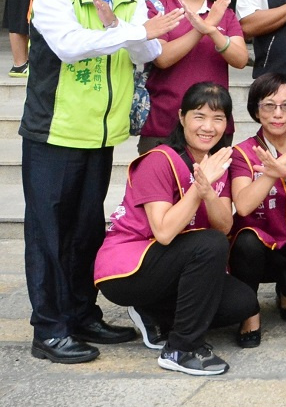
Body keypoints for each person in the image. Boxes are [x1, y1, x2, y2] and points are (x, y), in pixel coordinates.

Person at [21, 0, 181, 364]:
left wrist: (126, 30)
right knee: (49, 234)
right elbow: (70, 46)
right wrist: (131, 31)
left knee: (86, 231)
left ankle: (82, 313)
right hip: (54, 133)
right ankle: (49, 328)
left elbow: (150, 51)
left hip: (101, 135)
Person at [94, 82, 256, 376]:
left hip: (172, 262)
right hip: (129, 268)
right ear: (182, 118)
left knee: (241, 303)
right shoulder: (159, 160)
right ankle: (181, 348)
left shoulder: (217, 164)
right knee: (210, 245)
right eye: (199, 116)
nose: (208, 127)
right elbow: (164, 232)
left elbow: (224, 225)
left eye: (218, 118)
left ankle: (152, 312)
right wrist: (199, 188)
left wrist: (208, 190)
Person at [228, 73, 286, 348]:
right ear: (256, 110)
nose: (278, 114)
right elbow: (243, 204)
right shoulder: (242, 152)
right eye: (269, 105)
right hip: (260, 250)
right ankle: (249, 313)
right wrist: (274, 170)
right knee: (246, 243)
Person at [140, 0, 248, 153]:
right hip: (164, 123)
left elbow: (240, 59)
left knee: (212, 186)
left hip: (214, 126)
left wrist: (213, 30)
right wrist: (204, 27)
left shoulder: (223, 13)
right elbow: (162, 57)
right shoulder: (156, 8)